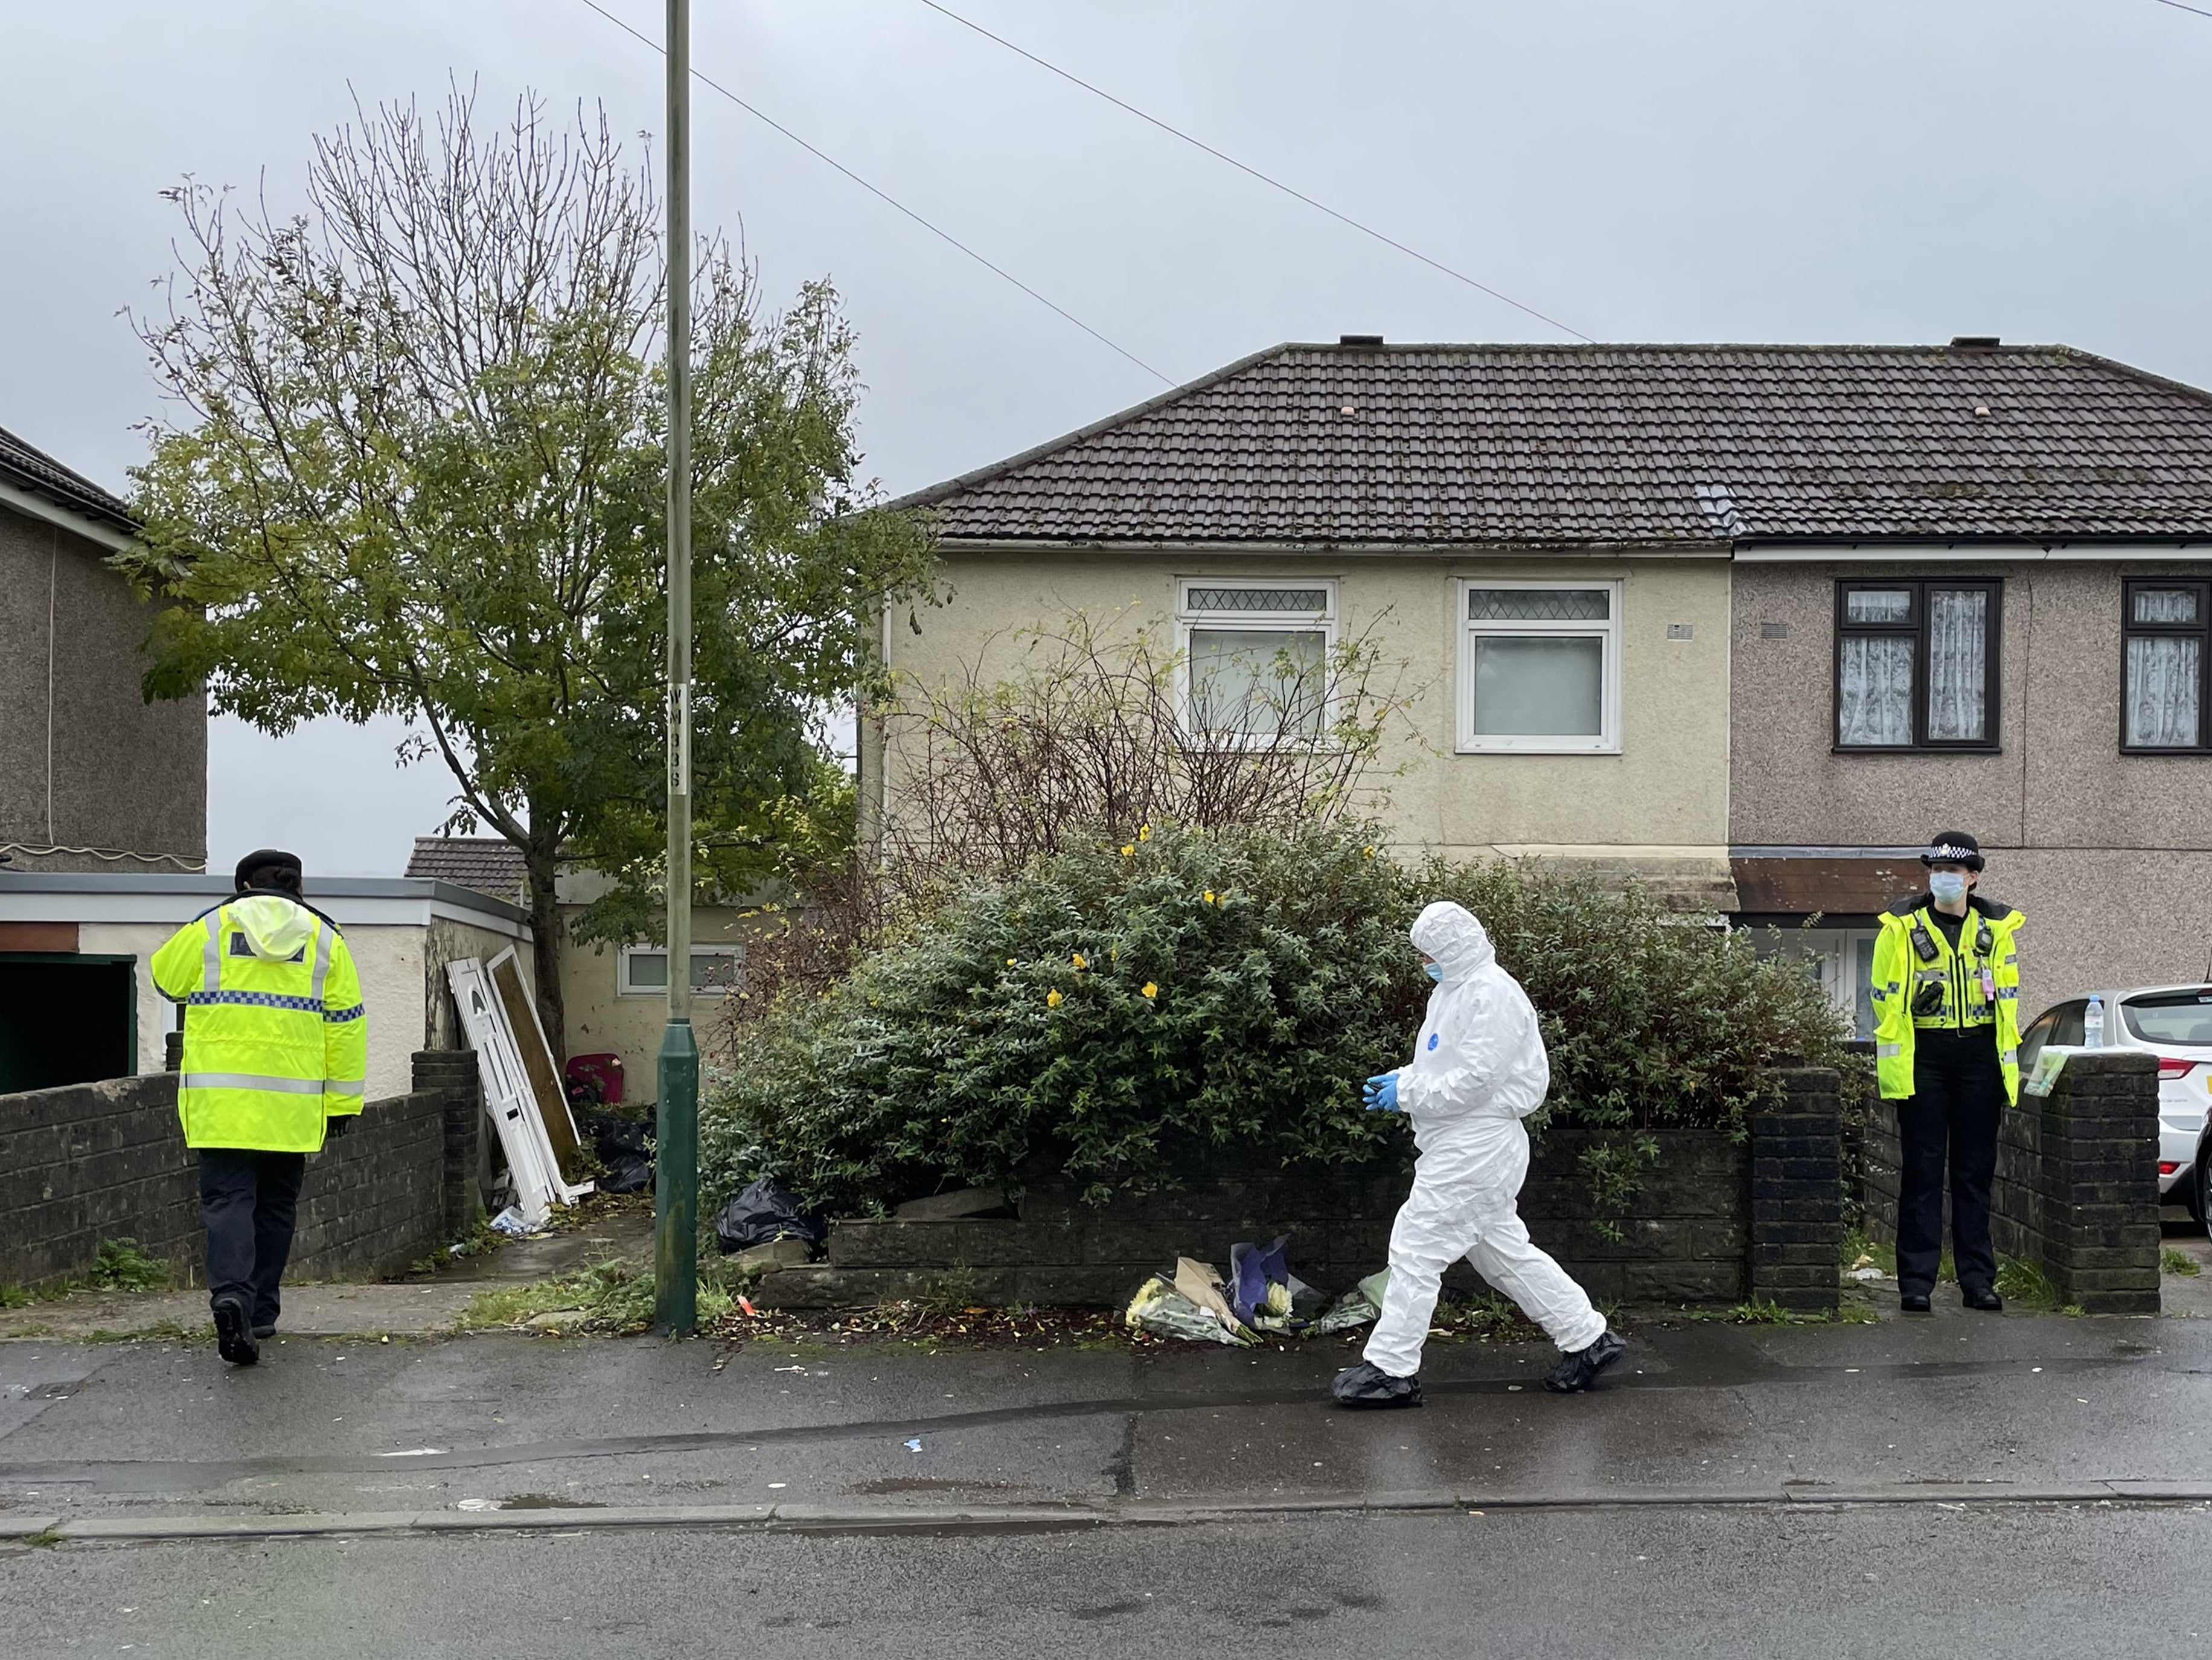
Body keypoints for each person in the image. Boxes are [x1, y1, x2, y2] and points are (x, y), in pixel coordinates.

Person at [1332, 900, 1626, 1409]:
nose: (1425, 961)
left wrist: (1406, 1094)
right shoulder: (1455, 990)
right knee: (1504, 1255)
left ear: (1453, 947)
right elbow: (1447, 1063)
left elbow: (1473, 1082)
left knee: (1416, 1247)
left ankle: (1391, 1368)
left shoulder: (1492, 994)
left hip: (1477, 1146)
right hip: (1464, 1143)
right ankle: (1587, 1338)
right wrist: (1405, 1078)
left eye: (1430, 952)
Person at [151, 850, 367, 1366]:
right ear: (297, 887)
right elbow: (347, 1027)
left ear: (244, 884)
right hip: (291, 1111)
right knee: (275, 1207)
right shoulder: (325, 939)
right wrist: (340, 1104)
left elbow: (164, 977)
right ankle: (263, 1312)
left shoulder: (213, 926)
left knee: (228, 1203)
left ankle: (232, 1296)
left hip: (221, 1105)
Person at [1872, 831, 2024, 1315]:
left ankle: (1977, 1280)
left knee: (1974, 1173)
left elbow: (2007, 1001)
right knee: (1921, 1171)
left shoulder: (1997, 926)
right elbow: (1884, 997)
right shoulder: (1901, 925)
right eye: (1936, 869)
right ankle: (1916, 1283)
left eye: (1953, 872)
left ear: (1973, 877)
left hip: (1980, 1055)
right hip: (1925, 1055)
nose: (1943, 878)